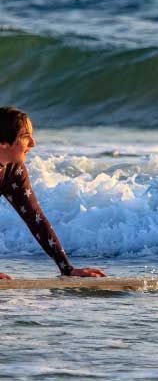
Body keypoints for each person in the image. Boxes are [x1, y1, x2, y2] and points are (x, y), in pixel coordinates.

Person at [0, 106, 106, 279]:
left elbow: (35, 218)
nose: (33, 143)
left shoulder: (14, 170)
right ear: (3, 142)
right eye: (25, 137)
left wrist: (67, 269)